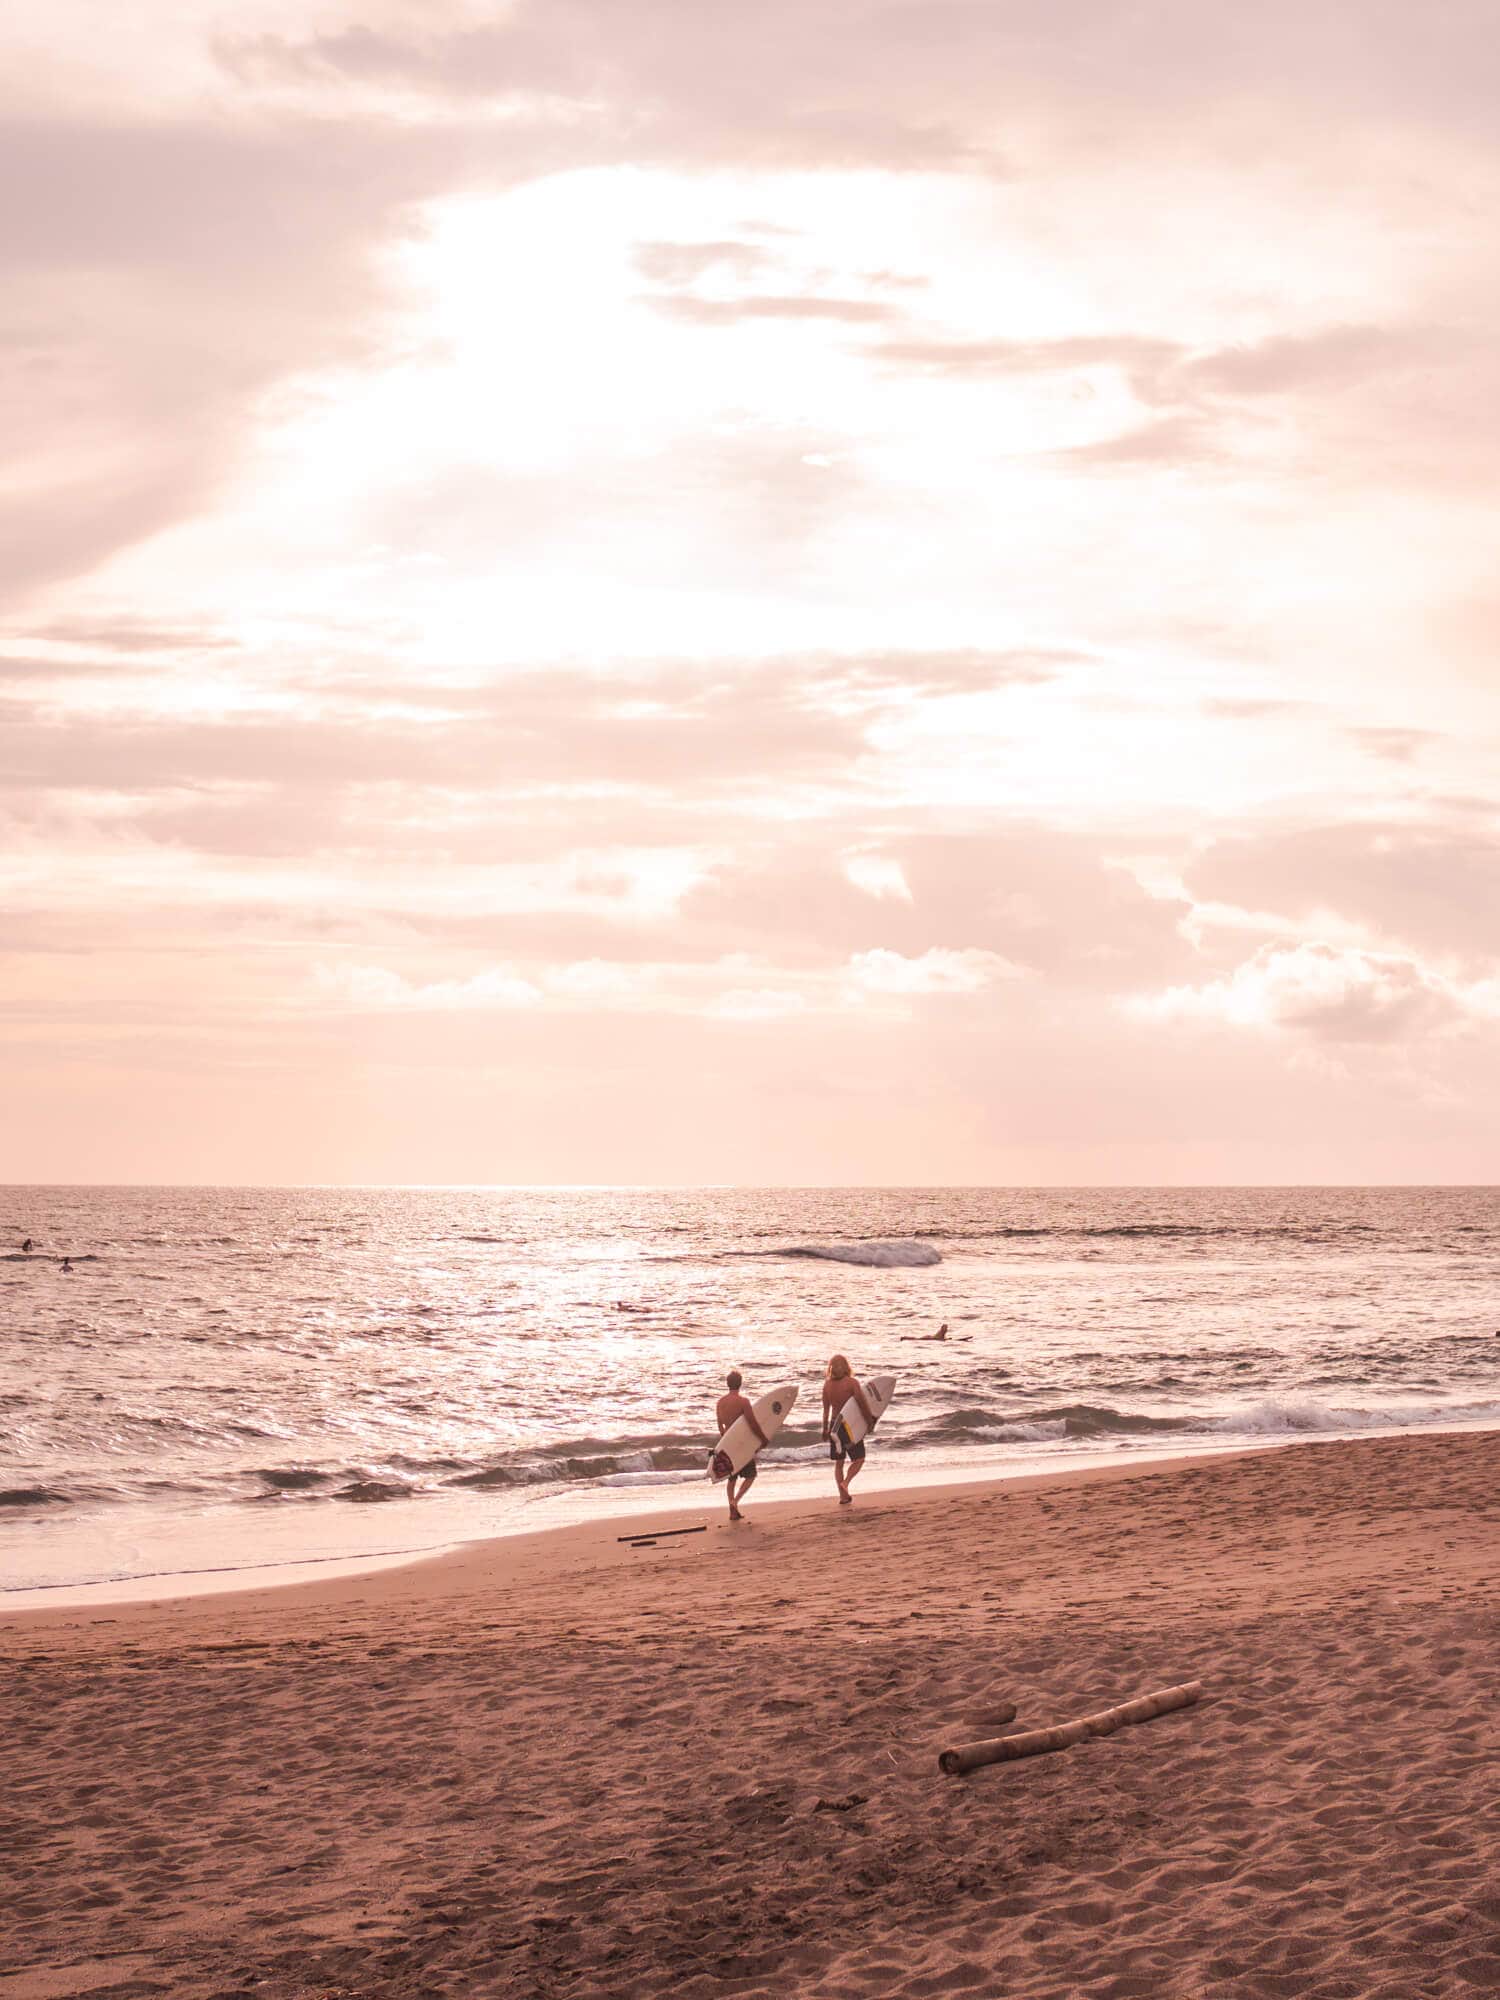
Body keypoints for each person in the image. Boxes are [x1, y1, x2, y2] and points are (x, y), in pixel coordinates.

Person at [821, 1354, 877, 1506]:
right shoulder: (852, 1383)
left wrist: (825, 1429)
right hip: (848, 1426)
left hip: (834, 1426)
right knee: (859, 1459)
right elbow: (862, 1403)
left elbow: (826, 1411)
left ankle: (843, 1497)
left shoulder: (827, 1385)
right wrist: (869, 1421)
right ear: (846, 1366)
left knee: (839, 1462)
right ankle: (845, 1483)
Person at [714, 1370, 768, 1523]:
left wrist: (725, 1439)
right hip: (742, 1444)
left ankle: (732, 1508)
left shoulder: (720, 1403)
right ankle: (735, 1501)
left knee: (732, 1477)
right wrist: (762, 1439)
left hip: (728, 1443)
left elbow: (720, 1425)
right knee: (750, 1475)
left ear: (727, 1384)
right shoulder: (743, 1401)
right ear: (740, 1383)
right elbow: (752, 1423)